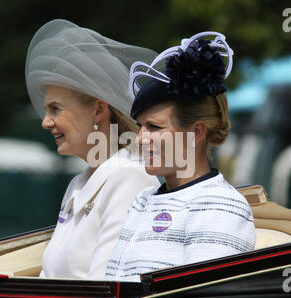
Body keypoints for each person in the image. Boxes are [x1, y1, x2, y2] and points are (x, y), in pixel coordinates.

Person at [105, 32, 256, 282]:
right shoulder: (142, 200)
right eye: (140, 126)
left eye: (154, 127)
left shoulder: (220, 208)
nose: (140, 138)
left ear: (195, 132)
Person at [25, 19, 160, 280]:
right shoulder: (79, 183)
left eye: (56, 108)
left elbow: (102, 290)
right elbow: (50, 278)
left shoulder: (130, 176)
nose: (45, 122)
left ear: (99, 110)